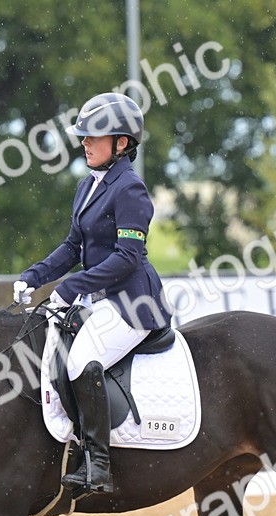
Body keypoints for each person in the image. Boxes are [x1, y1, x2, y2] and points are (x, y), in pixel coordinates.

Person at [12, 92, 171, 495]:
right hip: (99, 300)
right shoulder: (88, 185)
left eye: (92, 137)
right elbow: (72, 247)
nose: (83, 142)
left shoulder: (130, 189)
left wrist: (70, 287)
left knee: (83, 360)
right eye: (82, 136)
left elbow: (127, 257)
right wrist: (34, 276)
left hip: (133, 302)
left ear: (121, 143)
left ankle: (98, 465)